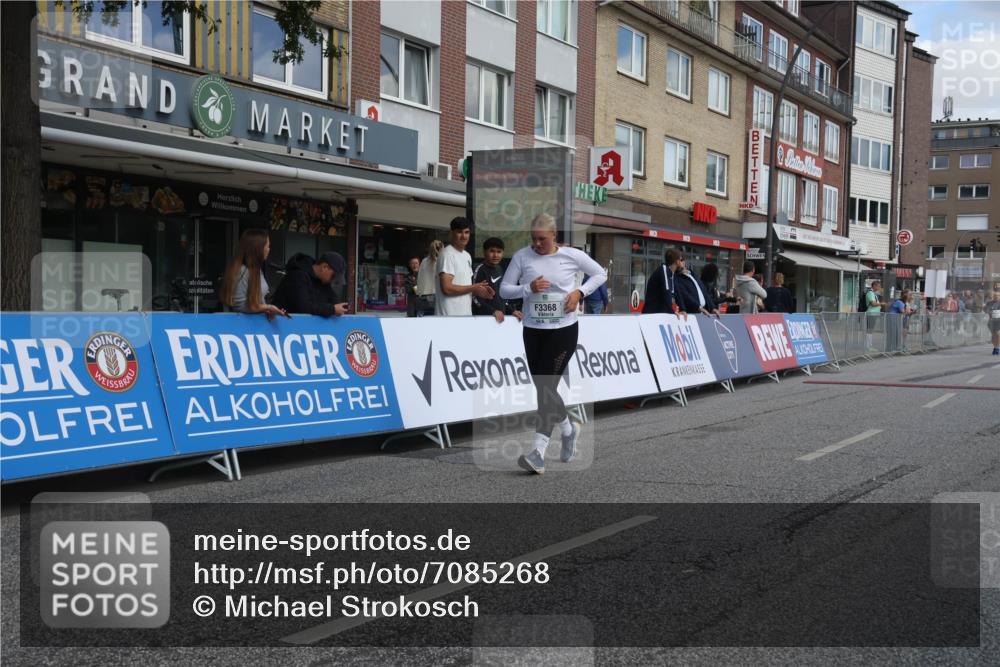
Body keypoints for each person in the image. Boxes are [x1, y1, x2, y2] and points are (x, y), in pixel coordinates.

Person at [499, 213, 607, 475]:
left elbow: (600, 274)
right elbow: (504, 289)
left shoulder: (571, 256)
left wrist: (579, 293)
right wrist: (528, 289)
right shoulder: (522, 257)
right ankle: (569, 429)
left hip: (563, 331)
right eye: (533, 239)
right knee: (543, 386)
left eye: (542, 239)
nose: (536, 244)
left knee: (546, 388)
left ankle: (538, 452)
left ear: (554, 236)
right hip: (533, 331)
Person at [220, 228, 287, 319]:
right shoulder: (242, 271)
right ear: (258, 248)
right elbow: (240, 306)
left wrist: (268, 310)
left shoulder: (256, 270)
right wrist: (268, 307)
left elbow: (256, 302)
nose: (269, 249)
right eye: (267, 246)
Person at [436, 217, 493, 316]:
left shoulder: (467, 255)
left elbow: (464, 287)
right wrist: (474, 287)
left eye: (466, 232)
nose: (463, 236)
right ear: (451, 233)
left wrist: (479, 291)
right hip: (448, 318)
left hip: (465, 316)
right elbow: (447, 289)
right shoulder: (447, 254)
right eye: (459, 232)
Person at [271, 251, 349, 317]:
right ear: (324, 267)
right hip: (282, 325)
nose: (333, 281)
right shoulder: (298, 275)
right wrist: (332, 309)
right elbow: (303, 307)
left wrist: (340, 307)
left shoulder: (322, 280)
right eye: (333, 276)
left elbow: (333, 299)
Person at [472, 237, 523, 322]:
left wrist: (512, 311)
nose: (495, 255)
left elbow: (503, 298)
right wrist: (492, 311)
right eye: (492, 251)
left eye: (499, 252)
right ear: (484, 252)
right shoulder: (480, 270)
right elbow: (475, 298)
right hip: (482, 320)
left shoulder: (499, 269)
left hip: (499, 320)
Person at [642, 248, 687, 315]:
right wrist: (672, 313)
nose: (683, 262)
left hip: (661, 313)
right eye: (681, 260)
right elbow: (667, 292)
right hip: (652, 314)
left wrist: (683, 309)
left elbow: (678, 293)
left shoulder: (672, 273)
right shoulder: (664, 270)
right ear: (677, 261)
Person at [415, 240, 444, 316]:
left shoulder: (424, 261)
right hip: (437, 297)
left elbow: (420, 280)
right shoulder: (441, 262)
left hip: (423, 297)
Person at [864, 280, 884, 351]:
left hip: (874, 314)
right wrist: (882, 304)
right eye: (878, 286)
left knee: (870, 330)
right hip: (871, 313)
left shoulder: (874, 294)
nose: (879, 288)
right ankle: (868, 346)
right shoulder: (870, 293)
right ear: (874, 286)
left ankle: (869, 345)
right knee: (869, 330)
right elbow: (873, 303)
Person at [986, 290, 1000, 355]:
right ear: (993, 296)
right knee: (993, 335)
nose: (996, 296)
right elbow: (986, 310)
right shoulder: (989, 303)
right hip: (991, 321)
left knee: (997, 333)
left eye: (998, 295)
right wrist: (989, 312)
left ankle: (997, 348)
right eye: (995, 295)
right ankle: (995, 347)